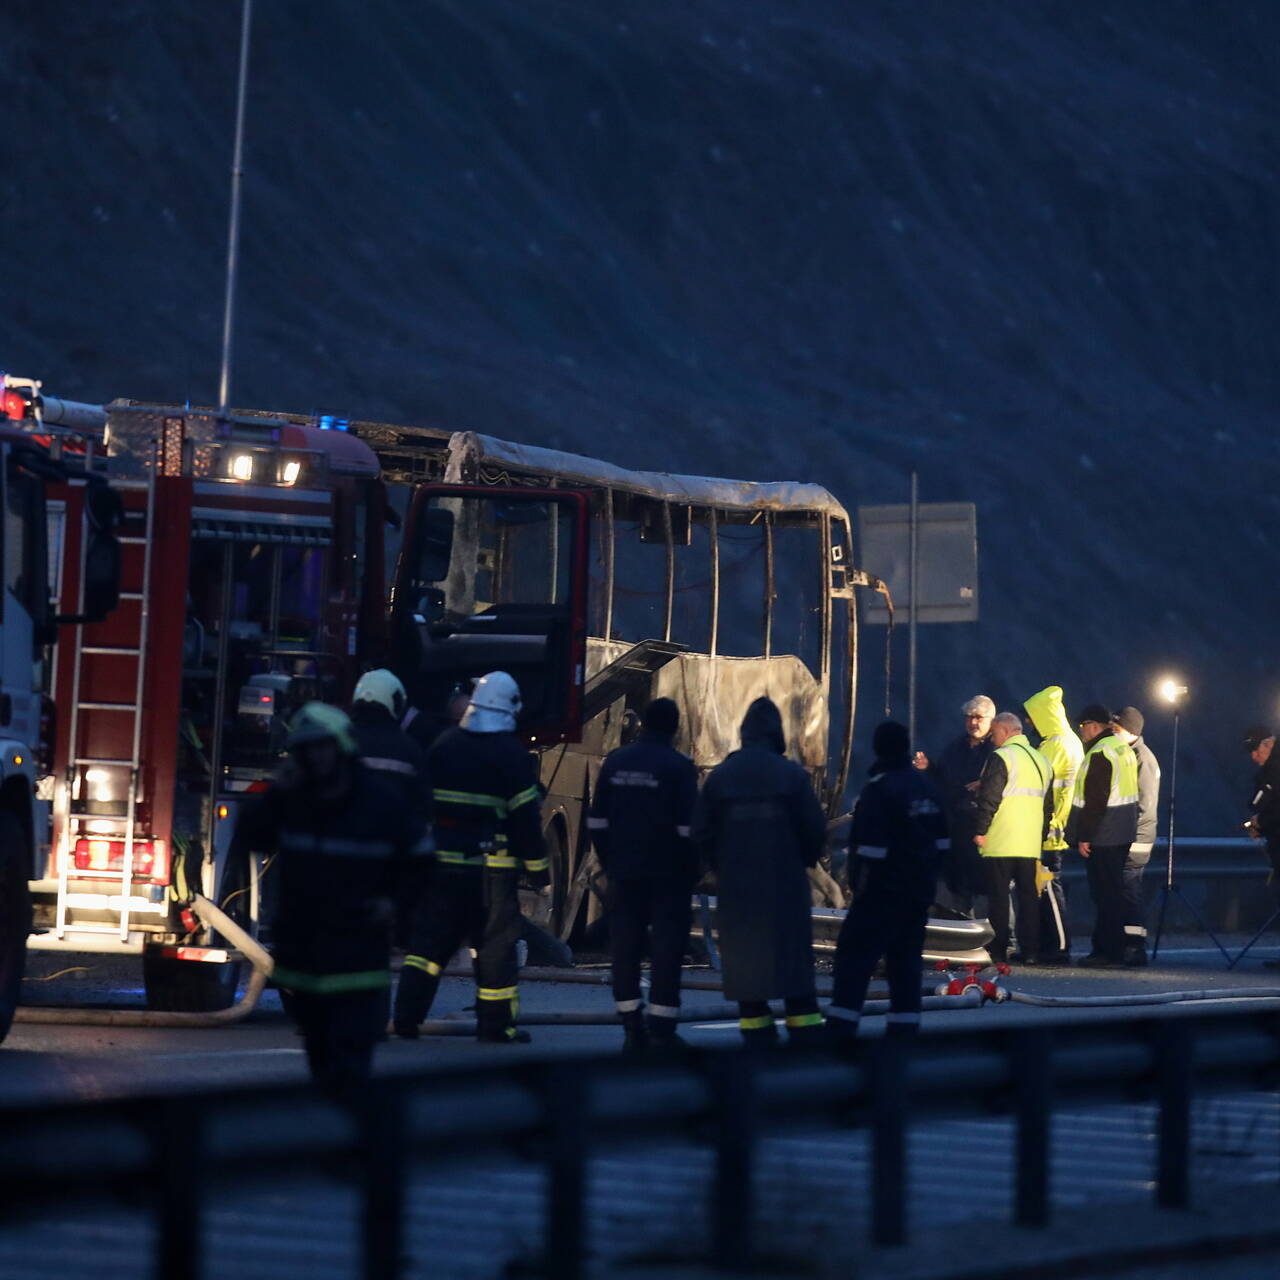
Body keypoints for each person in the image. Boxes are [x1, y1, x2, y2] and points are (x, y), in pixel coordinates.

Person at [232, 703, 433, 1097]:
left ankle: (355, 1138)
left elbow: (422, 861)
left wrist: (396, 905)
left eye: (323, 747)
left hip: (358, 958)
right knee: (320, 1057)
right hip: (305, 960)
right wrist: (276, 789)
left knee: (351, 1062)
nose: (316, 757)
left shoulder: (380, 803)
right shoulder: (292, 800)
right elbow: (251, 837)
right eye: (307, 749)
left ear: (342, 748)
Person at [393, 671, 549, 1043]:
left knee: (428, 946)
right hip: (492, 872)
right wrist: (539, 871)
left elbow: (422, 802)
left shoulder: (446, 745)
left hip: (443, 865)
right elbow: (525, 821)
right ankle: (496, 1026)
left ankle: (405, 1019)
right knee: (495, 950)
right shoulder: (511, 755)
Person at [692, 697, 827, 1047]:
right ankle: (807, 1039)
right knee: (793, 965)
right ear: (777, 734)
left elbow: (702, 833)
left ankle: (757, 1041)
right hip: (785, 887)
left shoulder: (720, 778)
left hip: (738, 889)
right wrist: (804, 861)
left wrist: (719, 867)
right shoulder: (792, 776)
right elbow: (814, 830)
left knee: (747, 969)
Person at [588, 697, 699, 1053]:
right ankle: (662, 1029)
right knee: (667, 950)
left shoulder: (616, 761)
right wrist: (690, 870)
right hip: (668, 875)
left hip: (625, 870)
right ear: (674, 728)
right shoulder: (680, 768)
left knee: (625, 947)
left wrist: (611, 860)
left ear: (644, 725)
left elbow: (597, 821)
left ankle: (631, 1024)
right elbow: (688, 830)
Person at [827, 721, 948, 1042]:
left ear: (879, 748)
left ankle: (840, 1034)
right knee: (905, 966)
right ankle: (904, 1036)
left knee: (853, 961)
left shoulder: (879, 790)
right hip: (917, 896)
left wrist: (859, 887)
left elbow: (865, 851)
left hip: (880, 896)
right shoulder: (926, 789)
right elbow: (943, 844)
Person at [972, 713, 1053, 965]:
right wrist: (1039, 835)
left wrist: (980, 830)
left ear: (1006, 731)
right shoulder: (1042, 760)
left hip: (1001, 840)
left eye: (994, 733)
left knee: (998, 898)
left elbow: (990, 798)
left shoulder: (1002, 757)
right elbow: (1048, 805)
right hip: (1029, 843)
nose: (992, 739)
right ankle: (1030, 950)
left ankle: (997, 950)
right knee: (1029, 898)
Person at [1066, 703, 1140, 967]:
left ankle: (1107, 952)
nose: (1081, 731)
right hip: (1122, 832)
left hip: (1104, 835)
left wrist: (1084, 836)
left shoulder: (1100, 753)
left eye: (1083, 726)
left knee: (1104, 895)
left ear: (1094, 726)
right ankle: (1112, 949)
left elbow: (1095, 801)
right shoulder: (1123, 749)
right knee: (1114, 894)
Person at [914, 695, 995, 915]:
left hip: (987, 829)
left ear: (991, 720)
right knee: (960, 886)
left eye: (978, 717)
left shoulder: (997, 750)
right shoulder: (955, 748)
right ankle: (965, 936)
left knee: (995, 888)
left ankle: (1004, 941)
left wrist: (985, 784)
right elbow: (943, 780)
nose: (973, 723)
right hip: (958, 828)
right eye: (969, 717)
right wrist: (928, 768)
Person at [1023, 686, 1083, 963]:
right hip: (1055, 829)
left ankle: (1058, 946)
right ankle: (1049, 945)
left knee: (1049, 889)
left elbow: (1036, 780)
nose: (1028, 724)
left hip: (1050, 833)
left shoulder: (1055, 745)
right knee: (1046, 890)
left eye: (1031, 718)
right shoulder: (1067, 741)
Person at [1110, 706, 1160, 967]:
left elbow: (1144, 804)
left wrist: (1131, 837)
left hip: (1137, 838)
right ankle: (1127, 944)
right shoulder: (1131, 754)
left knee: (1130, 891)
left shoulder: (1142, 758)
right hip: (1130, 836)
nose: (1112, 733)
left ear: (1130, 730)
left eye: (1116, 729)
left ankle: (1135, 946)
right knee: (1125, 891)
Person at [350, 669, 431, 825]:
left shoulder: (338, 742)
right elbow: (423, 806)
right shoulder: (410, 749)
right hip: (393, 841)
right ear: (397, 702)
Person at [1244, 725, 1280, 969]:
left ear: (1268, 744)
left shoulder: (1275, 769)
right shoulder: (1269, 770)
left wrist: (1261, 822)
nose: (1253, 757)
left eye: (1255, 751)